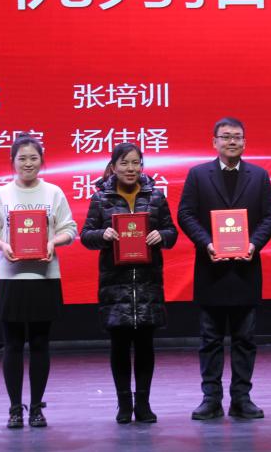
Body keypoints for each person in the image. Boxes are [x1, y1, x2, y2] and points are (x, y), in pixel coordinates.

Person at [177, 117, 271, 420]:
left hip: (246, 269)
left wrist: (254, 244)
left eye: (237, 137)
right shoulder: (198, 175)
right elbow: (186, 214)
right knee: (210, 339)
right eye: (225, 136)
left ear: (244, 142)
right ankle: (211, 398)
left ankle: (242, 398)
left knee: (245, 339)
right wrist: (207, 243)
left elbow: (270, 216)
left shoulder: (258, 176)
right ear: (214, 142)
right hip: (212, 270)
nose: (231, 141)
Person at [0, 133, 77, 429]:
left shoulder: (53, 193)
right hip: (9, 277)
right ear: (13, 161)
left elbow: (70, 229)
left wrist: (53, 242)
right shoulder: (2, 195)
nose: (28, 163)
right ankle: (14, 409)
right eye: (22, 158)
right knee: (11, 345)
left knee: (40, 344)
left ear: (42, 161)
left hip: (44, 277)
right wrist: (3, 245)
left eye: (34, 158)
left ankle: (36, 408)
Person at [80, 143, 179, 424]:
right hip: (115, 284)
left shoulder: (155, 196)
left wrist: (162, 236)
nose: (130, 168)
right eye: (124, 163)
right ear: (113, 167)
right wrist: (103, 235)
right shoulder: (101, 198)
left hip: (148, 283)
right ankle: (124, 404)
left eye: (136, 163)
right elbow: (86, 235)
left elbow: (172, 232)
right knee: (120, 346)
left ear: (142, 166)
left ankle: (143, 404)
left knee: (146, 345)